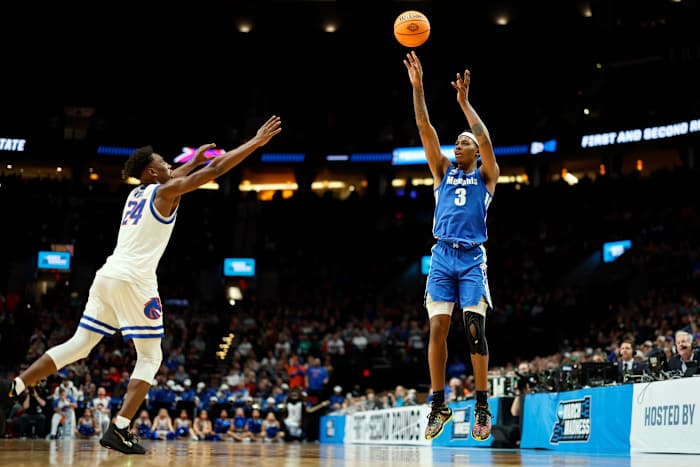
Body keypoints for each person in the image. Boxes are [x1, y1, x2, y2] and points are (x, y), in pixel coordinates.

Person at [0, 115, 282, 454]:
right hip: (136, 280)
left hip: (107, 275)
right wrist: (254, 143)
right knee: (150, 356)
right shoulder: (164, 191)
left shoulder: (138, 192)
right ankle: (119, 428)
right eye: (162, 162)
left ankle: (15, 387)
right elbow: (216, 171)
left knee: (80, 344)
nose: (168, 164)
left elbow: (177, 175)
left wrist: (191, 160)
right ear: (152, 172)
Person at [404, 50, 499, 441]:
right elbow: (425, 125)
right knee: (438, 328)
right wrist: (419, 87)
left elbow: (485, 137)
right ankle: (438, 404)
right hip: (442, 256)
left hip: (473, 257)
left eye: (463, 143)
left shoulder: (487, 176)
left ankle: (480, 404)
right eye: (456, 143)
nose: (457, 146)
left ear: (475, 152)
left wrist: (464, 103)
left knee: (473, 329)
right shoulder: (442, 171)